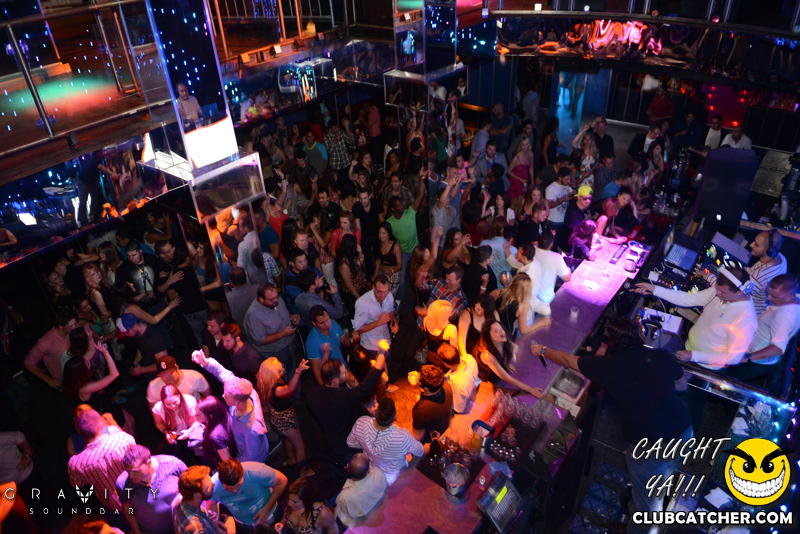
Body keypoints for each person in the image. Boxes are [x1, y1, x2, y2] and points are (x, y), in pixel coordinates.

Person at [531, 317, 692, 532]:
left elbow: (568, 361)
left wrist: (542, 350)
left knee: (649, 506)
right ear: (640, 335)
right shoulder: (661, 355)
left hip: (651, 447)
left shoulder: (609, 366)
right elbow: (681, 385)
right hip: (683, 431)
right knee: (655, 483)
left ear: (613, 344)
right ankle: (635, 515)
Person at [634, 263, 757, 370]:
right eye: (717, 289)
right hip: (687, 347)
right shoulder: (719, 291)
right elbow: (687, 299)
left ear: (740, 292)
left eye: (722, 292)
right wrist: (654, 289)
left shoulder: (746, 319)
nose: (717, 293)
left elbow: (734, 358)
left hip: (702, 365)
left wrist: (694, 356)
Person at [191, 350, 270, 463]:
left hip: (255, 460)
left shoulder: (252, 430)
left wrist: (233, 463)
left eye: (226, 397)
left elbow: (252, 457)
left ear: (237, 403)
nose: (223, 396)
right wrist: (205, 362)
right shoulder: (243, 390)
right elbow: (221, 371)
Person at [307, 354, 386, 458]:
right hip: (349, 445)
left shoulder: (311, 394)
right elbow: (366, 386)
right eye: (344, 372)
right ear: (335, 380)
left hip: (331, 441)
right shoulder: (345, 395)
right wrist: (381, 357)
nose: (347, 373)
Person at [728, 275, 800, 382]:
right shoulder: (795, 298)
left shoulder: (784, 315)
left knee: (725, 383)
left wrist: (747, 358)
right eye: (768, 293)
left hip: (754, 362)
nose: (768, 298)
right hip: (751, 355)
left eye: (774, 296)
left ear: (789, 296)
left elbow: (778, 348)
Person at [68, 408, 136, 512]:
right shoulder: (123, 439)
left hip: (112, 506)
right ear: (100, 425)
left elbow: (77, 484)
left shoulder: (76, 463)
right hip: (136, 497)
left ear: (80, 432)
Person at [347, 398, 425, 484]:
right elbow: (420, 452)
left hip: (371, 472)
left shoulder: (362, 422)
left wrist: (364, 445)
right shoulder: (402, 437)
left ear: (376, 412)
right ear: (394, 417)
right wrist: (409, 467)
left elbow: (350, 443)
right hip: (394, 478)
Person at [117, 445, 187, 534]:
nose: (131, 476)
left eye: (135, 472)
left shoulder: (173, 465)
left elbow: (190, 488)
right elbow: (127, 507)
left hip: (181, 526)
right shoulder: (123, 483)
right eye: (128, 472)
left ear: (148, 463)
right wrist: (137, 531)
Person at [256, 357, 309, 464]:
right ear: (273, 374)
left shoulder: (267, 383)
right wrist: (297, 372)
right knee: (300, 447)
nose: (283, 369)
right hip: (285, 420)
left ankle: (291, 460)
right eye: (280, 371)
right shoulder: (276, 390)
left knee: (288, 439)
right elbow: (290, 389)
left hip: (277, 417)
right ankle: (303, 471)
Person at [474, 319, 542, 397]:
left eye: (501, 328)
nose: (502, 332)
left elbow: (516, 348)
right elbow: (507, 378)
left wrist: (503, 364)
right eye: (496, 331)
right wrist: (530, 389)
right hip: (485, 383)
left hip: (495, 373)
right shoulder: (487, 355)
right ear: (489, 337)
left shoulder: (500, 340)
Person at [211, 458, 288, 528]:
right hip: (242, 525)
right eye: (229, 489)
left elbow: (282, 482)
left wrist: (267, 508)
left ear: (242, 474)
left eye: (238, 486)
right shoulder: (213, 485)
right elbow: (211, 503)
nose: (235, 491)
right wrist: (215, 522)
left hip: (270, 517)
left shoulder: (258, 471)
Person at [386, 178, 425, 298]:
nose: (401, 206)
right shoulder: (390, 222)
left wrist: (421, 180)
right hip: (402, 253)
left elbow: (420, 196)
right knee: (401, 279)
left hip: (416, 250)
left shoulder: (410, 212)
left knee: (421, 275)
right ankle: (399, 301)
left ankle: (422, 296)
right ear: (393, 209)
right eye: (398, 205)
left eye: (401, 204)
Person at [244, 283, 299, 364]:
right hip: (275, 353)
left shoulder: (276, 299)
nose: (276, 300)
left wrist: (292, 316)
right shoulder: (253, 315)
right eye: (272, 299)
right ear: (261, 299)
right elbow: (260, 340)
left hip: (290, 344)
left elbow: (283, 311)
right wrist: (282, 334)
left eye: (277, 296)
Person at [172, 465, 235, 534]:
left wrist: (209, 522)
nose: (213, 485)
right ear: (197, 496)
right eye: (208, 487)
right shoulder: (198, 530)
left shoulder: (179, 501)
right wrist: (231, 531)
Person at [335, 453, 388, 527]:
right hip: (378, 509)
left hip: (362, 522)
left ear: (348, 468)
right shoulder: (378, 473)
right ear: (368, 470)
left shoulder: (344, 497)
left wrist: (362, 524)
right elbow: (386, 491)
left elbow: (345, 519)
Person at [24, 313, 77, 387]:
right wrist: (48, 380)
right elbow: (28, 363)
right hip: (68, 381)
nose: (75, 327)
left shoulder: (74, 330)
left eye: (75, 324)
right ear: (60, 326)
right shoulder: (46, 342)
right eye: (71, 326)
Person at [306, 305, 355, 383]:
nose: (327, 324)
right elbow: (317, 370)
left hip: (343, 370)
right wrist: (324, 388)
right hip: (331, 381)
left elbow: (344, 341)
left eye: (327, 319)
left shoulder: (334, 324)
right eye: (322, 323)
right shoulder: (311, 342)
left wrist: (352, 338)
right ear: (314, 323)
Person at [151, 384, 203, 457]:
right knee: (179, 456)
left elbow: (198, 420)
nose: (172, 406)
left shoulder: (189, 400)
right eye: (168, 404)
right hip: (175, 436)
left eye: (174, 402)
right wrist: (167, 432)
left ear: (179, 396)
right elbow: (158, 423)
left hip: (193, 431)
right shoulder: (158, 408)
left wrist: (189, 431)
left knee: (201, 454)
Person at [744, 230, 787, 316]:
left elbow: (740, 294)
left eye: (756, 245)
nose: (751, 245)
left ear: (770, 251)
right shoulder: (781, 258)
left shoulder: (758, 277)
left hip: (750, 314)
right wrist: (745, 269)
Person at [528, 230, 571, 316]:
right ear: (551, 244)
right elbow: (567, 278)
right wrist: (568, 269)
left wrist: (551, 237)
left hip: (530, 295)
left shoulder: (530, 250)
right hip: (545, 299)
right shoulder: (556, 257)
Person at [115, 312, 170, 377]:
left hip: (162, 377)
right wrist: (136, 361)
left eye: (126, 333)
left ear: (135, 327)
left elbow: (164, 363)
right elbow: (142, 347)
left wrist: (141, 370)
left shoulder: (153, 339)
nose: (126, 335)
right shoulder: (138, 332)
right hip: (151, 374)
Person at [353, 275, 397, 355]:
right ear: (373, 288)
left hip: (386, 341)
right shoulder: (362, 303)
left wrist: (394, 322)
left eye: (385, 291)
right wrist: (378, 322)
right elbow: (358, 329)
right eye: (379, 292)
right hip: (371, 346)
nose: (383, 295)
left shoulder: (389, 296)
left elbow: (391, 311)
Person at [146, 355, 211, 409]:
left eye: (170, 373)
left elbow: (207, 396)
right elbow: (153, 408)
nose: (167, 377)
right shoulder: (153, 386)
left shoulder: (195, 377)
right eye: (163, 375)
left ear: (177, 368)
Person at [411, 365, 453, 443]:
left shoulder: (420, 411)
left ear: (426, 388)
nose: (417, 379)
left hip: (431, 436)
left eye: (418, 379)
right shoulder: (447, 385)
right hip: (445, 424)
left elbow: (418, 437)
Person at [196, 396, 237, 467]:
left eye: (198, 415)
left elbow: (228, 462)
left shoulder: (215, 437)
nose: (195, 415)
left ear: (210, 416)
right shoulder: (220, 411)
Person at [439, 344, 478, 414]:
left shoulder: (458, 384)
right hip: (471, 386)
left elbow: (459, 408)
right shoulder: (469, 358)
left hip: (462, 399)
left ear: (445, 364)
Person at [560, 185, 594, 255]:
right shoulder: (573, 213)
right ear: (578, 197)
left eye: (590, 198)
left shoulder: (586, 207)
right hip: (568, 251)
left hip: (578, 248)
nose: (588, 201)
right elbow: (580, 234)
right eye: (585, 198)